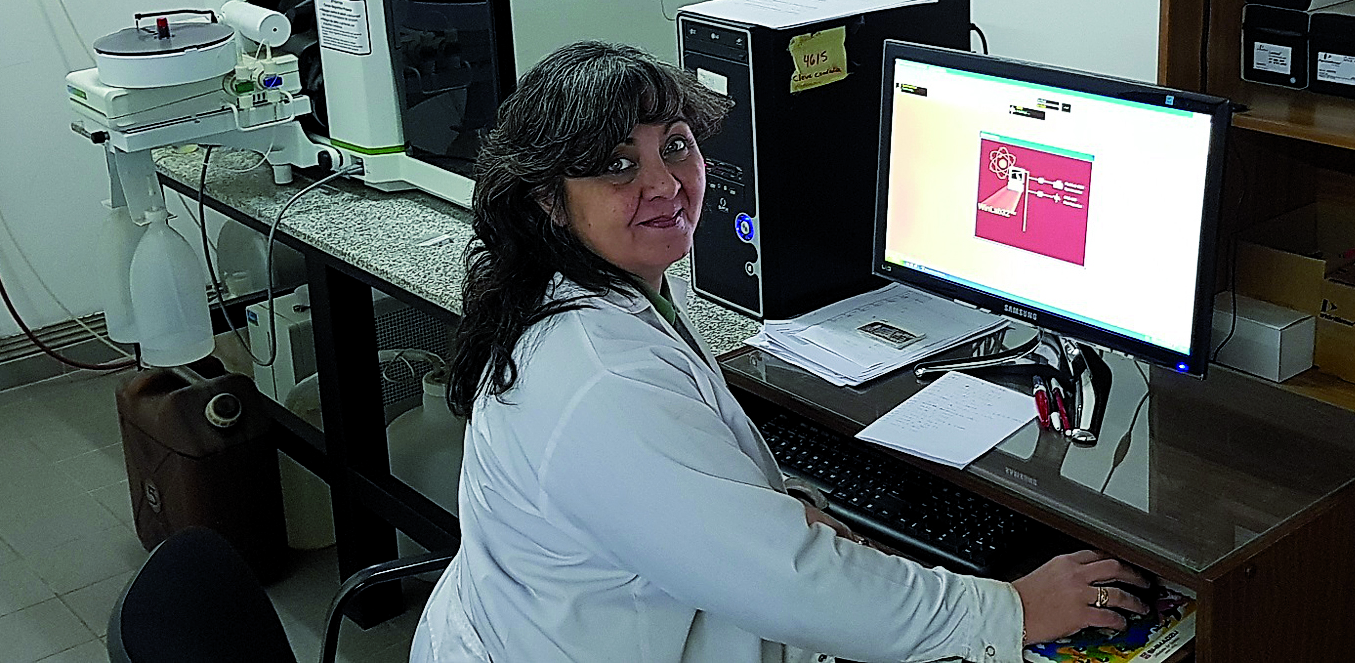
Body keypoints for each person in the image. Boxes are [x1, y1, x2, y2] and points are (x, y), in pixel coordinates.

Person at [412, 42, 1148, 663]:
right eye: (616, 164)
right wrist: (1011, 609)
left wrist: (779, 511)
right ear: (547, 197)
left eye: (674, 144)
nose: (664, 183)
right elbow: (792, 583)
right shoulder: (599, 377)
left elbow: (694, 505)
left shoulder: (583, 297)